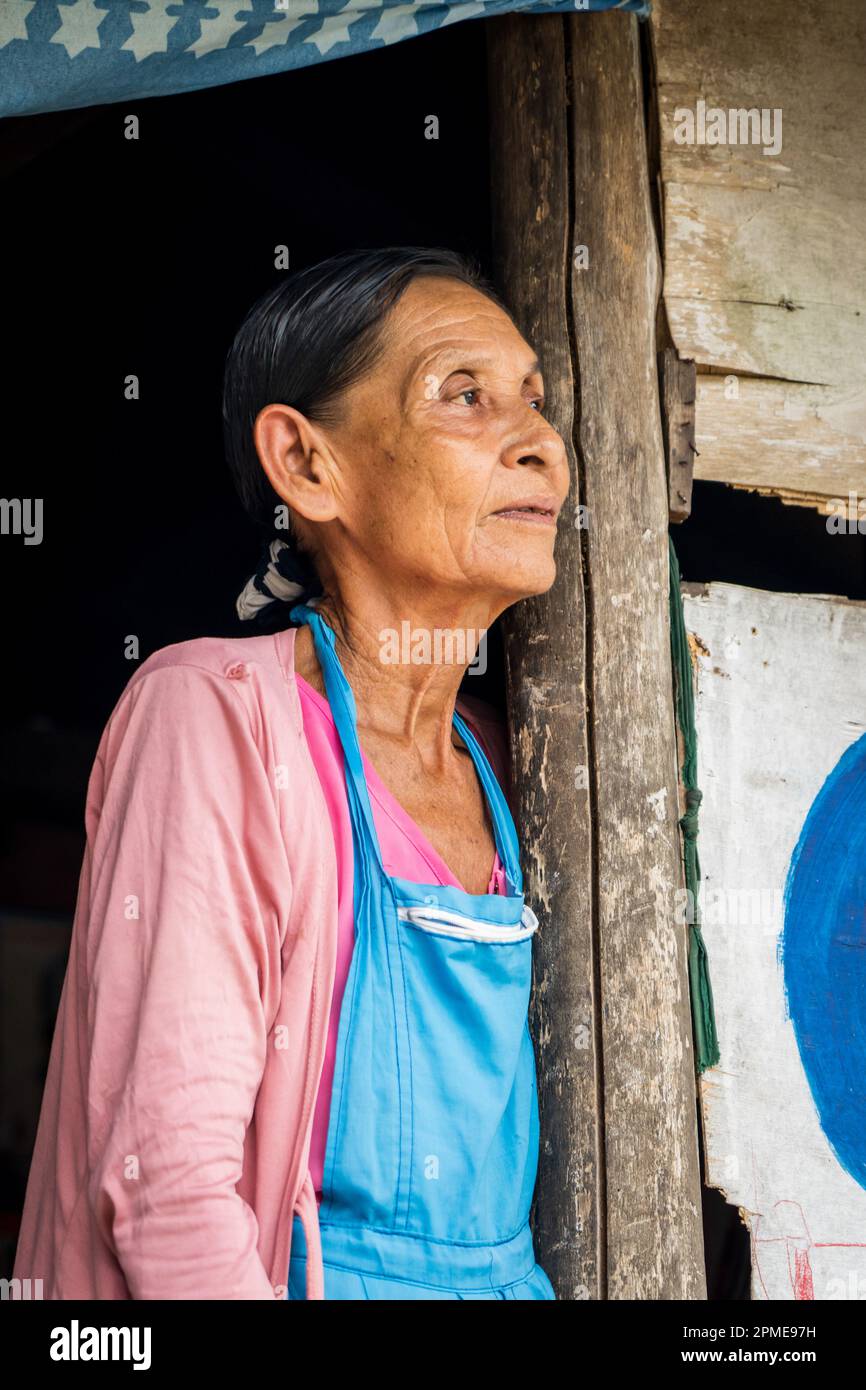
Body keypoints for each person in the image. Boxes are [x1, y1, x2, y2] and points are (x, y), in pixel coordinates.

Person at [13, 246, 570, 1300]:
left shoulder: (518, 764)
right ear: (308, 465)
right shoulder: (215, 716)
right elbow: (170, 1193)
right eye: (465, 395)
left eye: (534, 402)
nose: (542, 444)